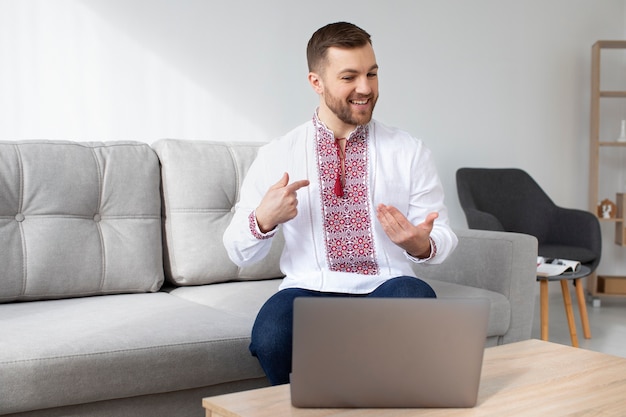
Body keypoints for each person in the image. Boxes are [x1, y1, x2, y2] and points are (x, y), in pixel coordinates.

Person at [223, 21, 458, 385]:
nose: (365, 88)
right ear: (316, 82)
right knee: (271, 337)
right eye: (349, 77)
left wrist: (420, 243)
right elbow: (237, 251)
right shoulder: (278, 154)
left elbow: (442, 234)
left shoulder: (410, 151)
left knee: (417, 300)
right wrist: (263, 219)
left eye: (372, 74)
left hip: (387, 283)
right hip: (308, 287)